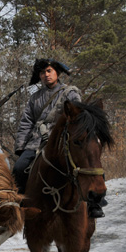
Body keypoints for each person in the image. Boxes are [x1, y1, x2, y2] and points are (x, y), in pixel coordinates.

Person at [13, 58, 105, 218]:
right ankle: (20, 205)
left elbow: (78, 117)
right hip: (36, 142)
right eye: (42, 72)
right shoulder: (35, 98)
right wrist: (21, 147)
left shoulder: (71, 93)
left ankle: (94, 203)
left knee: (90, 164)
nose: (45, 75)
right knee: (19, 168)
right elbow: (26, 122)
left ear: (57, 73)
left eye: (49, 71)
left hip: (62, 139)